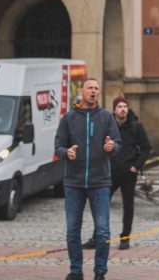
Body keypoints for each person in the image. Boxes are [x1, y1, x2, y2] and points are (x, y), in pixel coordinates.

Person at [54, 77, 121, 280]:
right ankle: (76, 271)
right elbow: (58, 147)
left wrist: (112, 147)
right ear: (82, 92)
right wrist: (67, 153)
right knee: (73, 230)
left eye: (96, 89)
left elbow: (117, 144)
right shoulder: (69, 118)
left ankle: (100, 272)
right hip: (73, 183)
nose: (93, 91)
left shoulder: (107, 117)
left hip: (100, 182)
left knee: (102, 230)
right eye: (90, 88)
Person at [85, 96, 152, 252]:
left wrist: (136, 166)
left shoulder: (136, 126)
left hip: (129, 173)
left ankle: (125, 237)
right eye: (120, 106)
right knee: (101, 205)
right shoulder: (108, 126)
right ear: (114, 110)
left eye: (125, 106)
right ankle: (97, 237)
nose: (123, 109)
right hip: (110, 173)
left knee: (128, 205)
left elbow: (146, 148)